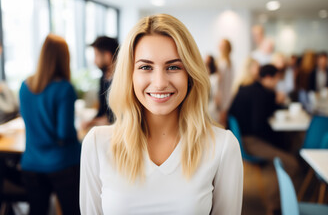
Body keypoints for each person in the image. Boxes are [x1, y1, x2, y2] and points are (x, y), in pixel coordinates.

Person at [80, 14, 243, 214]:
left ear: (190, 74)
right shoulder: (97, 145)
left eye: (173, 67)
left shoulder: (222, 146)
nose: (159, 82)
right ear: (129, 75)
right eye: (145, 67)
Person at [19, 34, 81, 215]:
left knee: (37, 211)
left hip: (31, 163)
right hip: (62, 164)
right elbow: (64, 133)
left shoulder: (25, 85)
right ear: (64, 58)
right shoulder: (64, 88)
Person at [228, 64, 298, 215]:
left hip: (243, 138)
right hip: (250, 141)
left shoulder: (249, 89)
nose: (277, 84)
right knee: (291, 163)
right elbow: (259, 125)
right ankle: (275, 206)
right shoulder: (259, 94)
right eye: (276, 80)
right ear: (268, 78)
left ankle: (276, 201)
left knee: (284, 153)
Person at [83, 36, 119, 130]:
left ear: (107, 55)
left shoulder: (122, 79)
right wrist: (92, 121)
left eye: (96, 55)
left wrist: (97, 121)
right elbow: (102, 111)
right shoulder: (103, 78)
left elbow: (117, 117)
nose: (95, 61)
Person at [215, 38, 234, 126]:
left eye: (222, 45)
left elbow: (225, 85)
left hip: (222, 98)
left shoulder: (226, 63)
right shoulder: (220, 61)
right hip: (219, 97)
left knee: (221, 123)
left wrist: (224, 106)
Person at [204, 54, 219, 122]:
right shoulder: (205, 78)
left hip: (212, 109)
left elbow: (217, 96)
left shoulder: (214, 78)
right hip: (207, 108)